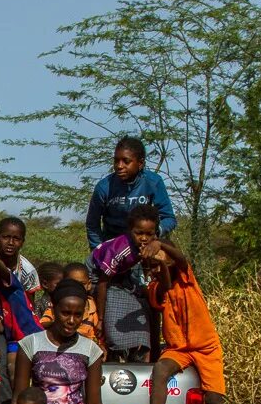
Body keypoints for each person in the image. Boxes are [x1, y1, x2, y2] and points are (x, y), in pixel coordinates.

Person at [135, 232, 225, 404]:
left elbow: (181, 259)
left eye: (157, 263)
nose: (153, 270)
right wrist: (160, 262)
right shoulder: (156, 288)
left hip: (205, 347)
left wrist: (160, 246)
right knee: (160, 370)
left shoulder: (187, 279)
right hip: (179, 348)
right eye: (149, 266)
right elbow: (163, 284)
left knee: (215, 399)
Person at [85, 135, 177, 250]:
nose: (119, 166)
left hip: (144, 247)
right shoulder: (104, 187)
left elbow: (169, 218)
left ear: (140, 163)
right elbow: (92, 224)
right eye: (116, 160)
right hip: (113, 248)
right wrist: (99, 251)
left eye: (126, 161)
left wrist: (154, 234)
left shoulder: (153, 182)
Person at [89, 205, 154, 362]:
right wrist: (101, 319)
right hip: (99, 276)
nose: (144, 238)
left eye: (149, 234)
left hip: (121, 277)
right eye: (139, 233)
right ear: (130, 230)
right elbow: (103, 283)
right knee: (113, 322)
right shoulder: (120, 251)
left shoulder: (149, 245)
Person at [40, 263, 102, 347]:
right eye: (72, 283)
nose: (77, 287)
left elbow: (97, 335)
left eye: (82, 284)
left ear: (89, 284)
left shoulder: (94, 307)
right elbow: (42, 324)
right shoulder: (57, 305)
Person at [0, 217, 41, 297]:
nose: (11, 242)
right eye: (6, 237)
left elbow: (29, 306)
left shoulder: (28, 271)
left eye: (16, 239)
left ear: (22, 242)